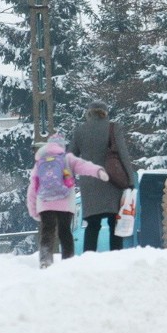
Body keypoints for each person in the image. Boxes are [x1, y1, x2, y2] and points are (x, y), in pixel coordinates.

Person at [26, 133, 109, 268]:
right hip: (65, 203)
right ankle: (68, 261)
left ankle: (45, 260)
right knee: (65, 231)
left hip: (45, 203)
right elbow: (84, 166)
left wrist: (33, 210)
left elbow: (32, 188)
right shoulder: (67, 159)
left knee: (47, 231)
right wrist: (99, 171)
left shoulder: (40, 162)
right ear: (63, 145)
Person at [69, 100, 135, 253]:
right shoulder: (113, 128)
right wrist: (130, 180)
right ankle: (115, 255)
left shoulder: (80, 131)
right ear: (105, 113)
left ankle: (88, 257)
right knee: (114, 222)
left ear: (89, 113)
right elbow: (123, 155)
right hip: (112, 180)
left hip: (89, 183)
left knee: (92, 224)